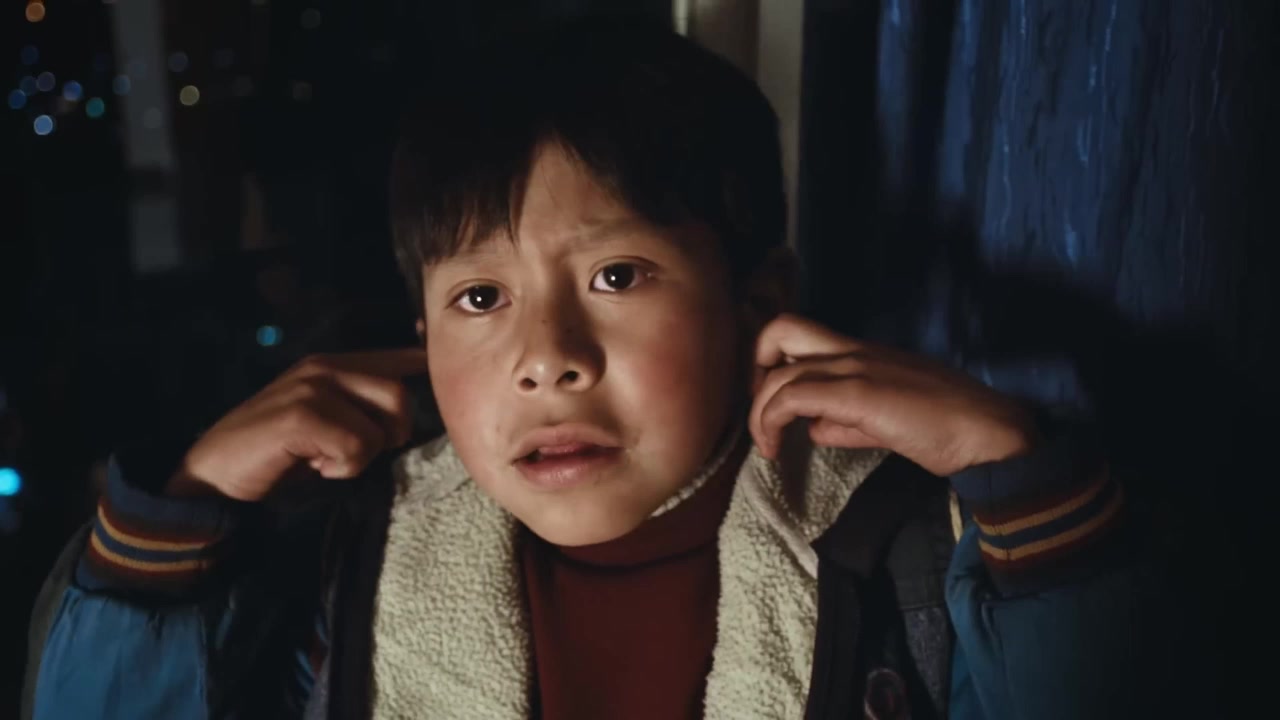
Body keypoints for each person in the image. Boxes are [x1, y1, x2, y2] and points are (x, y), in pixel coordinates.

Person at [24, 17, 1184, 720]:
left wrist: (1013, 474)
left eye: (616, 275)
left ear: (756, 304)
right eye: (479, 299)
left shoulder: (905, 557)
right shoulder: (344, 565)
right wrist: (182, 513)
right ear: (420, 333)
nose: (547, 360)